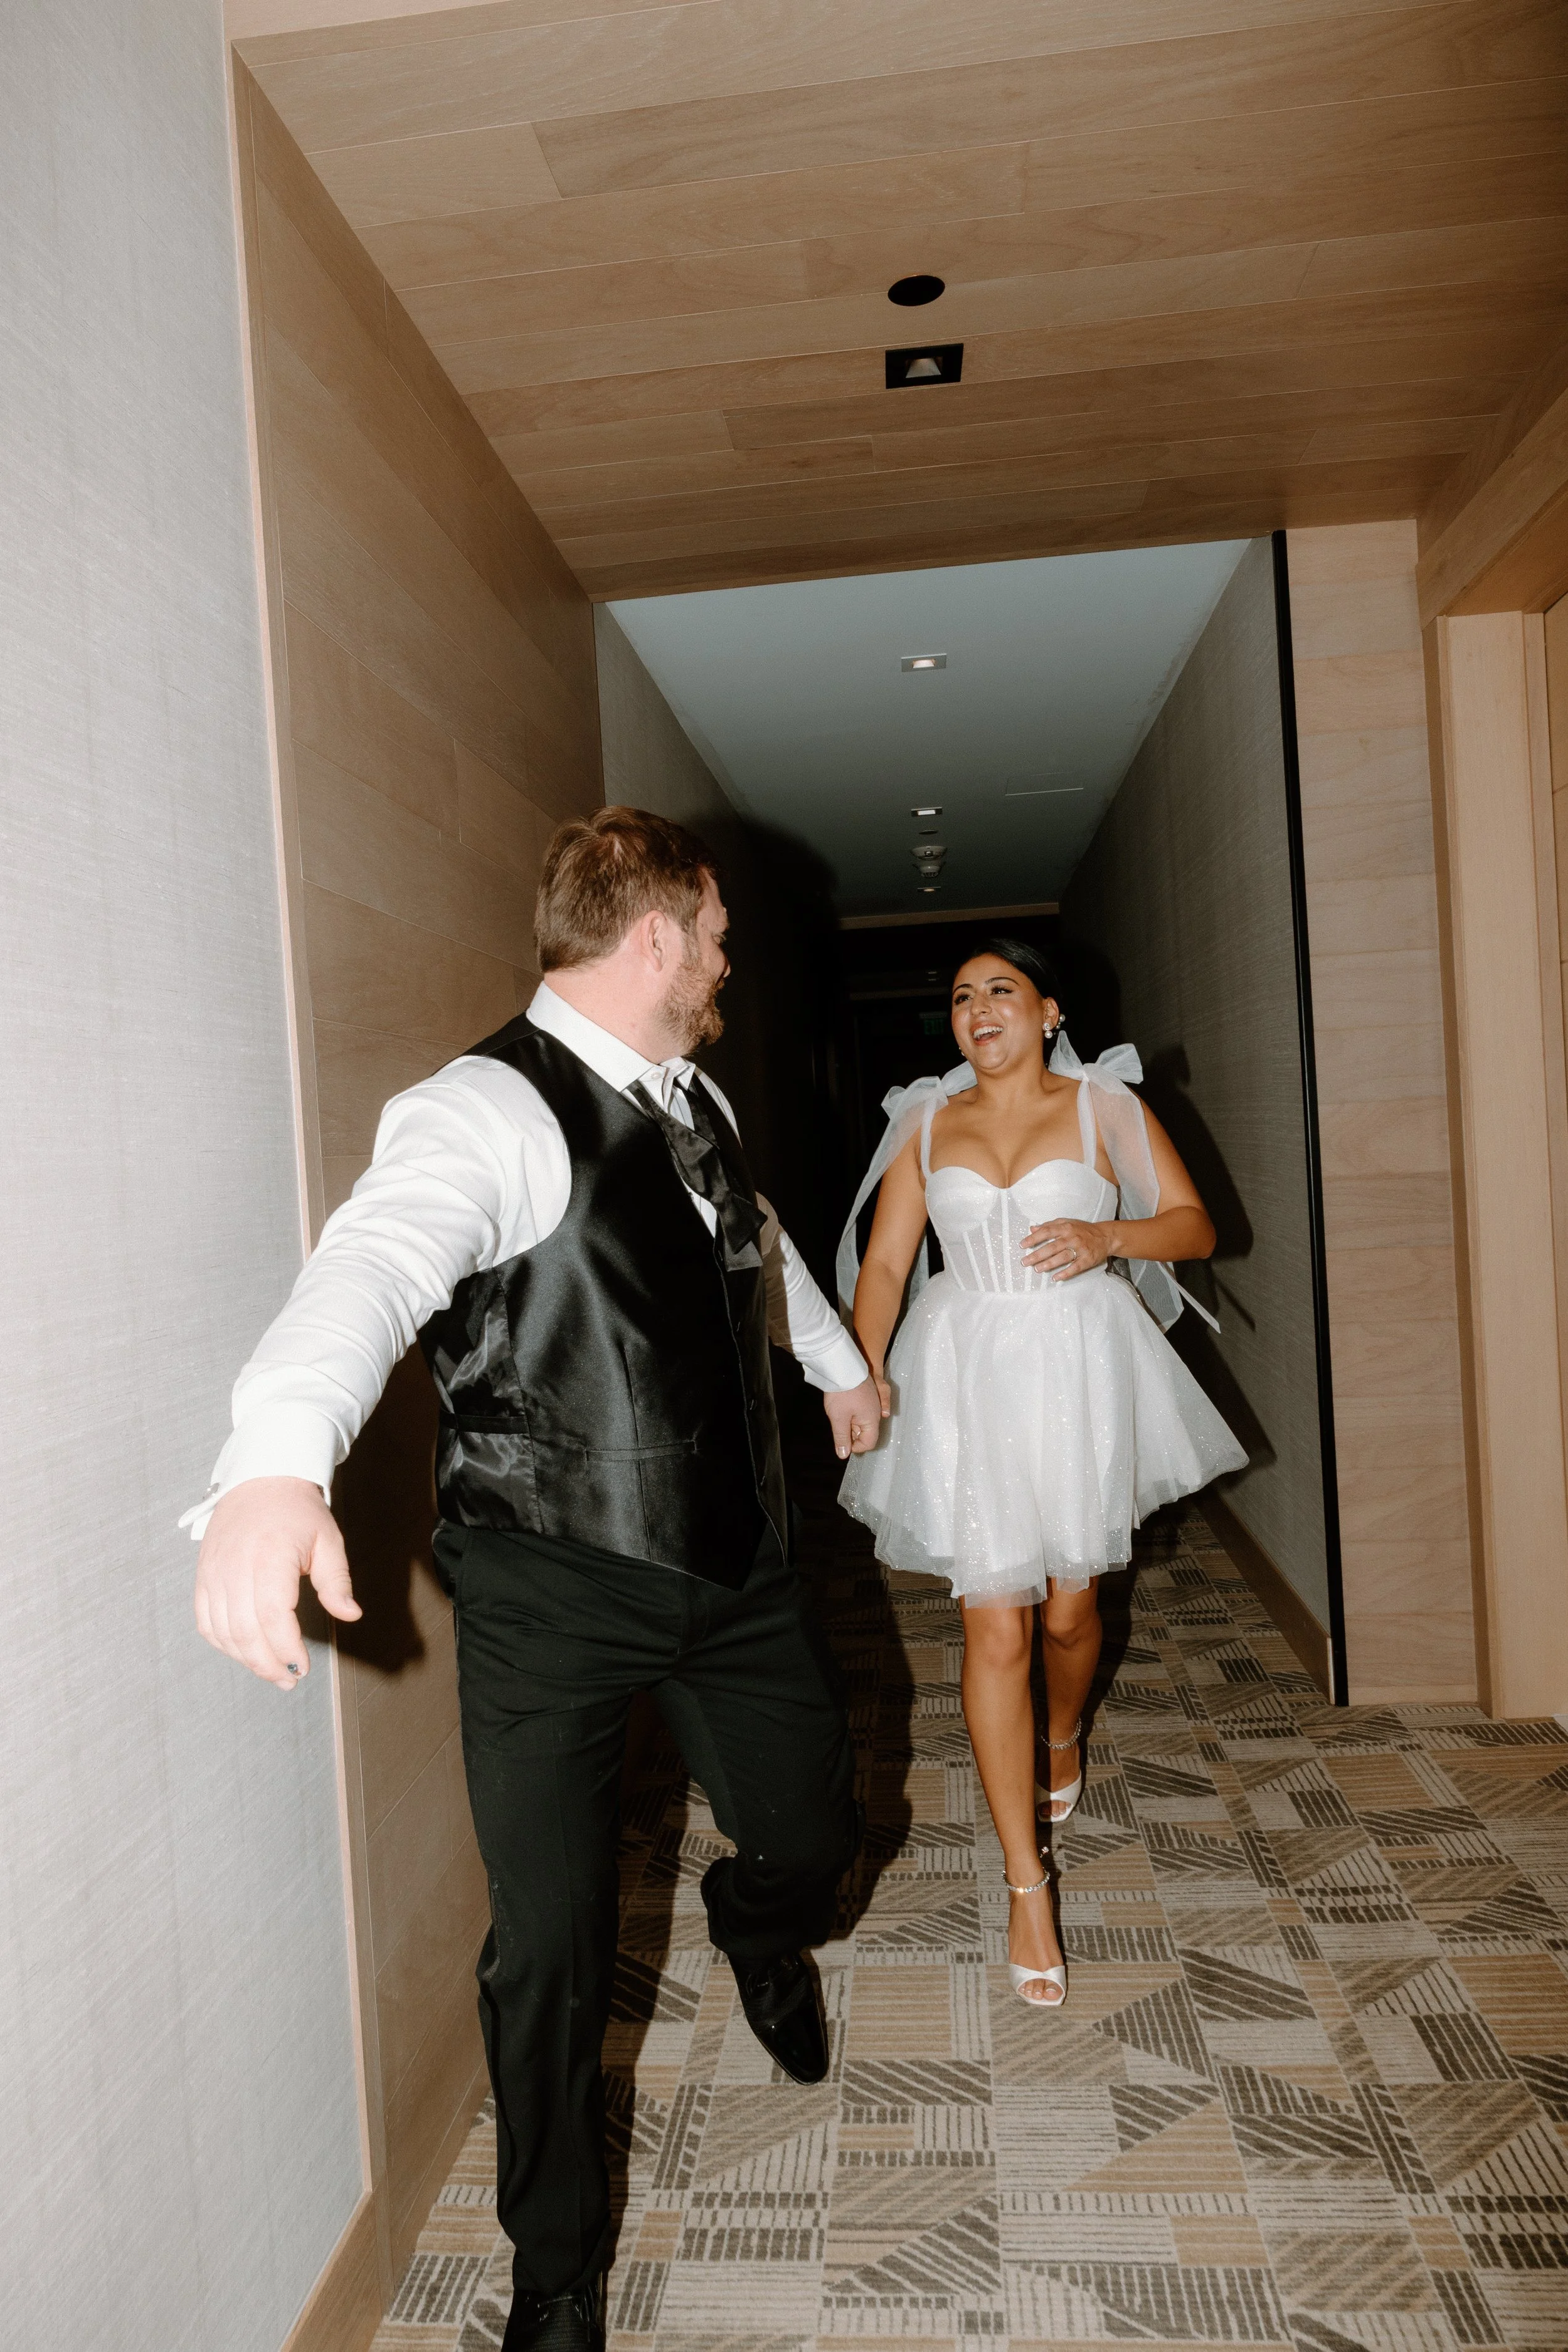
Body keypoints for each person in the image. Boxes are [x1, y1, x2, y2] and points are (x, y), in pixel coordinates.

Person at [188, 808, 883, 2352]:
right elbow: (371, 1265)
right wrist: (273, 1465)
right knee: (552, 1954)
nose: (725, 964)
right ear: (656, 936)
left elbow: (755, 1241)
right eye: (714, 939)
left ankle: (754, 1923)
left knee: (817, 1835)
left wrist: (835, 1364)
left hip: (736, 1564)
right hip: (553, 1588)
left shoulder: (694, 1096)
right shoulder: (483, 1111)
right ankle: (553, 2278)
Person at [837, 940, 1246, 2010]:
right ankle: (1027, 1884)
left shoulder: (1103, 1106)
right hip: (966, 1376)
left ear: (1049, 1010)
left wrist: (1109, 1234)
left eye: (1001, 990)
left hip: (1076, 1369)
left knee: (1070, 1617)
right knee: (995, 1629)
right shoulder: (927, 1122)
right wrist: (861, 1371)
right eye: (961, 996)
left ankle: (1063, 1732)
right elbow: (887, 1263)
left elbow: (1196, 1226)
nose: (979, 1009)